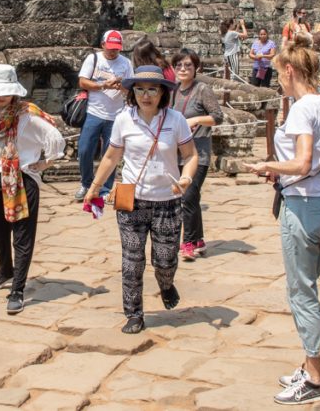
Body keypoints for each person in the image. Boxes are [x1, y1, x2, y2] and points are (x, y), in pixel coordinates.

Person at [243, 36, 320, 405]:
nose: (277, 81)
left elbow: (301, 162)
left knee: (302, 293)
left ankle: (316, 378)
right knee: (308, 286)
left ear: (290, 70)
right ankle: (309, 363)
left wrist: (269, 166)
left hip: (302, 207)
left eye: (278, 74)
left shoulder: (302, 108)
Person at [83, 65, 199, 334]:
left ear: (162, 93)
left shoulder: (176, 120)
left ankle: (166, 284)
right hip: (132, 200)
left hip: (167, 201)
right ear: (132, 92)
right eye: (140, 89)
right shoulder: (124, 119)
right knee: (132, 261)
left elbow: (191, 155)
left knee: (165, 259)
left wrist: (187, 178)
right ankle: (133, 313)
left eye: (152, 89)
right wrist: (94, 186)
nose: (146, 95)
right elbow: (112, 156)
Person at [0, 65, 66, 315]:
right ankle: (5, 269)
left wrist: (45, 163)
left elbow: (55, 137)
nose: (1, 97)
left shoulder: (28, 115)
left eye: (5, 92)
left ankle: (17, 288)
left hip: (23, 178)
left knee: (22, 236)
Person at [170, 49, 224, 261]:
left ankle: (189, 243)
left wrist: (196, 120)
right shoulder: (173, 91)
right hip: (176, 154)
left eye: (188, 65)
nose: (183, 69)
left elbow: (217, 117)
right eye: (179, 66)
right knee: (187, 198)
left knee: (189, 197)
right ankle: (199, 240)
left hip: (198, 153)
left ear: (196, 68)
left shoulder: (202, 89)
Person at [75, 30, 134, 202]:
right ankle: (86, 184)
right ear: (102, 45)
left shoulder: (126, 63)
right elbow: (82, 81)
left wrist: (120, 87)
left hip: (116, 115)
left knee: (111, 154)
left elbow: (131, 88)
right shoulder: (93, 59)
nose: (113, 51)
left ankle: (105, 188)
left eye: (116, 48)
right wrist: (103, 85)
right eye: (110, 48)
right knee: (85, 150)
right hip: (94, 112)